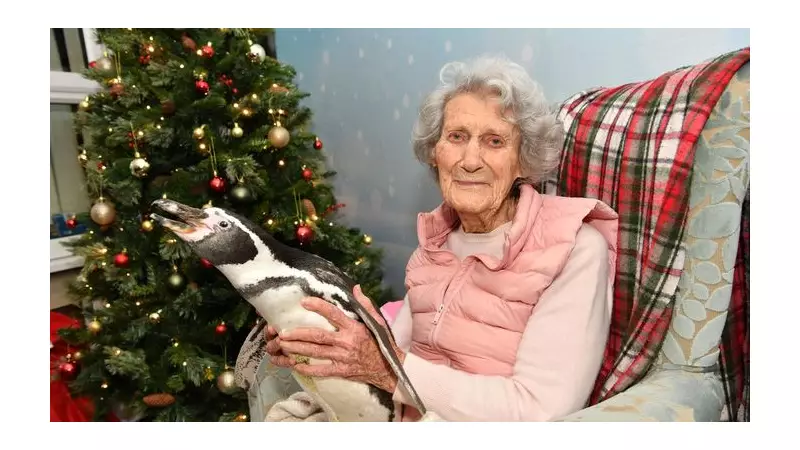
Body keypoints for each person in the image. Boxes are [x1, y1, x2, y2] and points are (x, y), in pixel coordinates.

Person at [262, 55, 619, 422]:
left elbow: (537, 410)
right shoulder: (434, 242)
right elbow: (393, 358)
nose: (470, 160)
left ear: (524, 162)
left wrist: (386, 366)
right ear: (435, 152)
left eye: (494, 141)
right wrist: (318, 346)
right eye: (457, 137)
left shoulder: (574, 248)